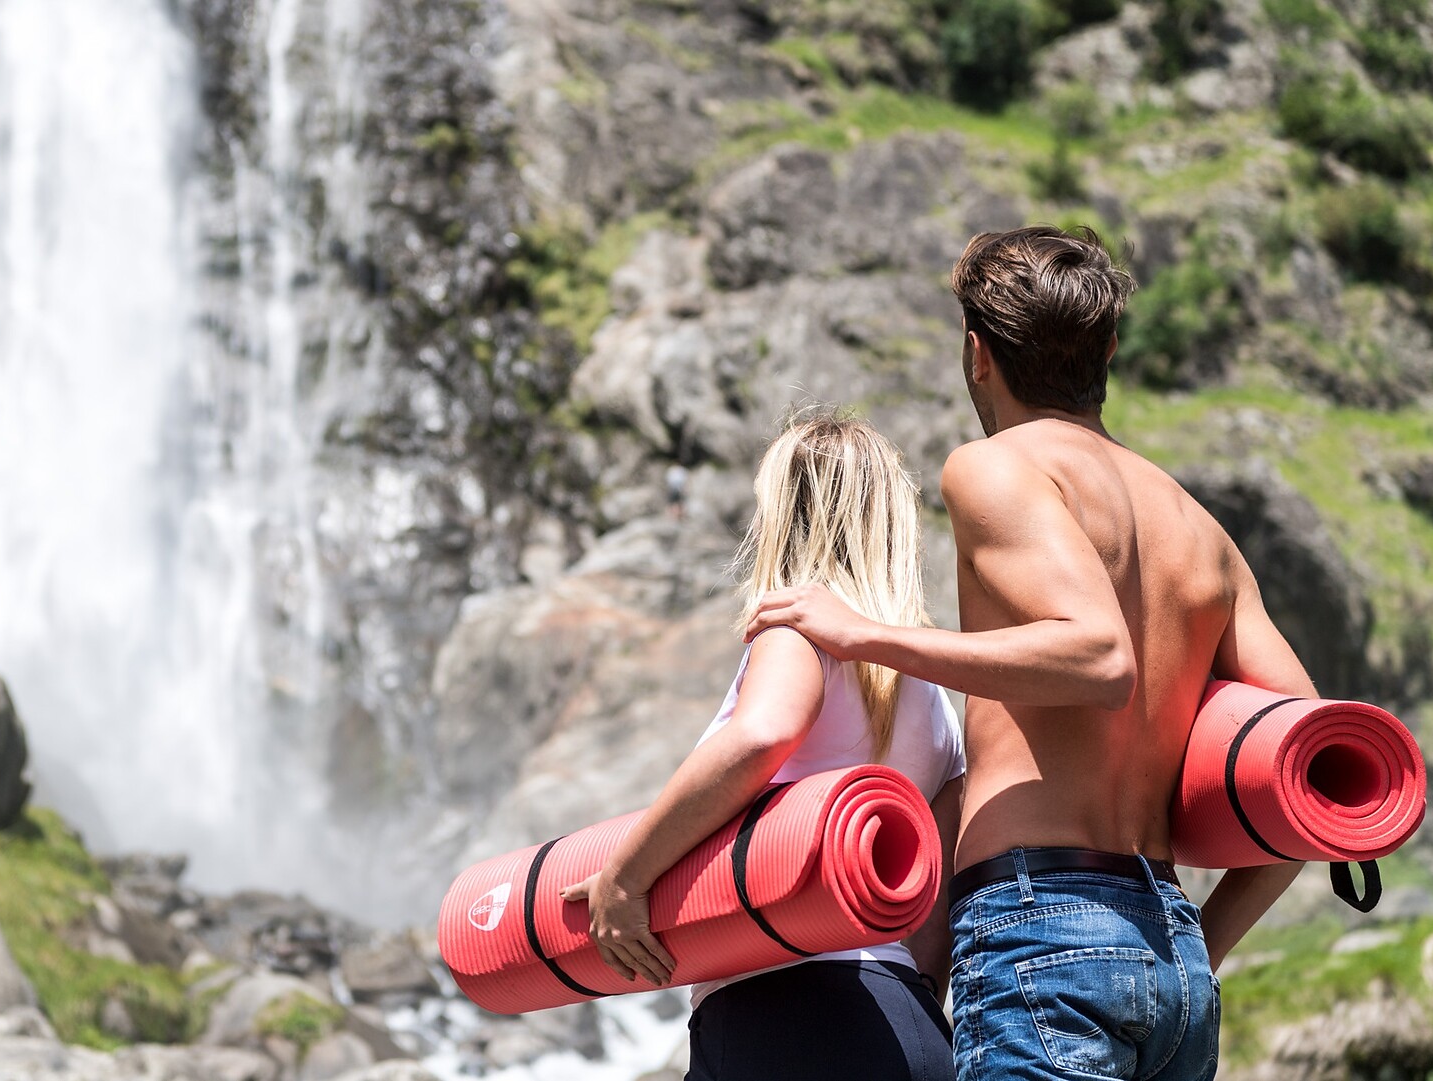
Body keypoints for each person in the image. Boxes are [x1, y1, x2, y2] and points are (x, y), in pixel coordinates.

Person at [745, 225, 1313, 1080]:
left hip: (1039, 922)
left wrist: (862, 634)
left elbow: (1097, 657)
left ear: (978, 353)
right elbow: (1306, 786)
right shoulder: (1199, 529)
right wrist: (1200, 946)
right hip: (1173, 956)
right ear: (1109, 348)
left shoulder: (995, 468)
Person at [562, 415, 966, 1081]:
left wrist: (626, 877)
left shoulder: (797, 628)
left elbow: (761, 734)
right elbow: (934, 888)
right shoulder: (925, 684)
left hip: (782, 1013)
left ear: (786, 509)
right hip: (910, 1025)